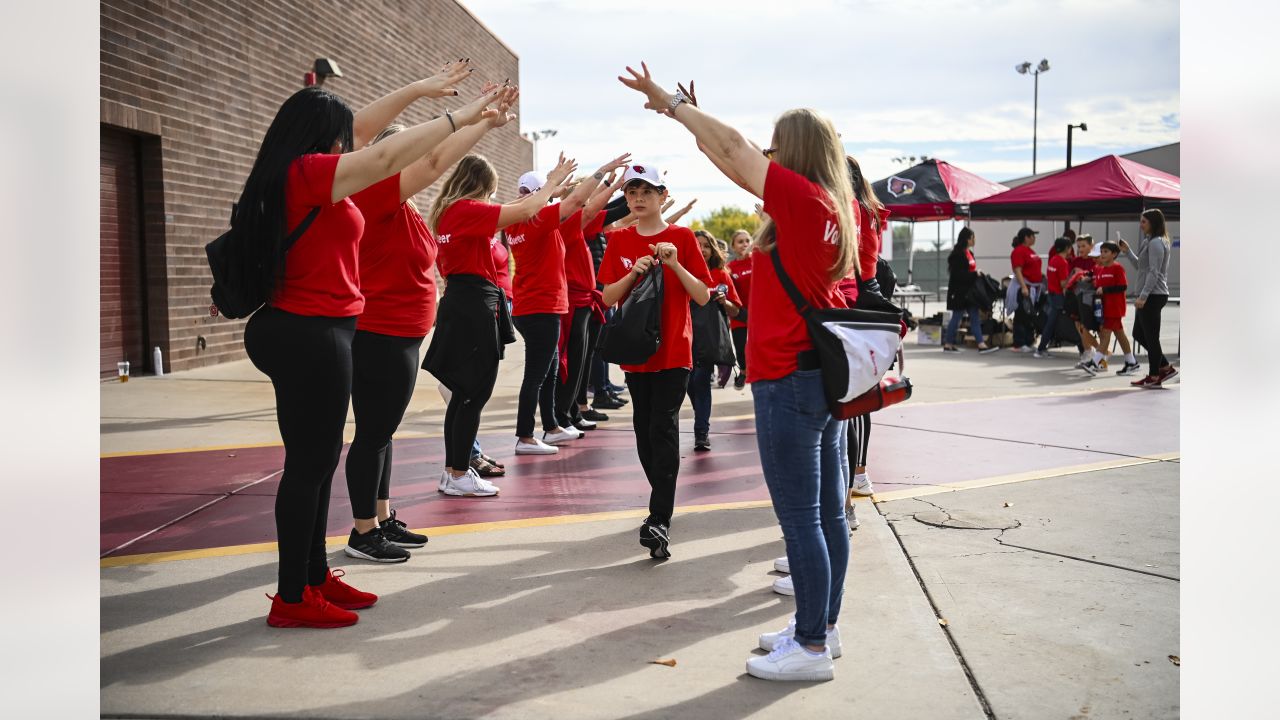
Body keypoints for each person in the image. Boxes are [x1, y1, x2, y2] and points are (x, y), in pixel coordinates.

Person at [240, 67, 503, 628]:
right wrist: (460, 115)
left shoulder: (312, 173)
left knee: (316, 460)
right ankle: (293, 596)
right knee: (310, 465)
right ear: (319, 137)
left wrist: (416, 91)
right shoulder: (310, 173)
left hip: (319, 329)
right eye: (341, 135)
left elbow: (370, 139)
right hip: (310, 331)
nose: (351, 141)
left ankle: (312, 577)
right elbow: (398, 158)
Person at [620, 63, 855, 681]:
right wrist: (694, 123)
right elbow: (728, 156)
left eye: (777, 147)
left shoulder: (802, 202)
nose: (767, 156)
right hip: (815, 376)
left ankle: (808, 647)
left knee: (803, 518)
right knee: (828, 512)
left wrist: (671, 105)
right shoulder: (830, 207)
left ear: (795, 152)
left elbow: (733, 149)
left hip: (788, 377)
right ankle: (820, 629)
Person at [344, 83, 520, 563]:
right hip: (380, 332)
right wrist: (480, 121)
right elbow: (436, 162)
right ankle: (363, 532)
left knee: (382, 432)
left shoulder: (401, 207)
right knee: (373, 434)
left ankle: (381, 517)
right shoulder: (375, 194)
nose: (418, 161)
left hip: (400, 334)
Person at [424, 152, 575, 494]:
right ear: (482, 186)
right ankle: (460, 473)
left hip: (461, 301)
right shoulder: (467, 210)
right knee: (474, 394)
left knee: (463, 394)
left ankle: (455, 471)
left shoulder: (448, 212)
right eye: (491, 193)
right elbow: (524, 211)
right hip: (474, 304)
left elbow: (516, 211)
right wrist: (551, 182)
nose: (492, 200)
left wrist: (553, 188)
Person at [597, 162, 713, 560]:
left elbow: (702, 295)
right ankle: (660, 501)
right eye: (632, 192)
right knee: (643, 431)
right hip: (636, 353)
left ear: (664, 196)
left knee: (663, 427)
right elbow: (608, 297)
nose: (639, 199)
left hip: (675, 351)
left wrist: (676, 262)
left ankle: (659, 516)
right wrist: (636, 272)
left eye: (648, 191)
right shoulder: (618, 240)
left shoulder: (681, 236)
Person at [507, 153, 632, 455]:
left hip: (538, 305)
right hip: (542, 307)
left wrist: (556, 187)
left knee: (550, 371)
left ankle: (551, 427)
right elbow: (580, 204)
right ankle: (526, 436)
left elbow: (576, 204)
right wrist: (602, 172)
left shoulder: (515, 223)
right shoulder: (537, 223)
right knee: (538, 375)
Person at [555, 172, 628, 433]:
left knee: (582, 360)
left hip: (587, 299)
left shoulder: (579, 221)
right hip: (575, 300)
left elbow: (614, 209)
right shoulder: (571, 222)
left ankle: (574, 411)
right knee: (574, 362)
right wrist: (617, 186)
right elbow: (612, 212)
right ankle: (564, 415)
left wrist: (630, 190)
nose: (589, 205)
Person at [688, 230, 742, 451]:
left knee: (700, 382)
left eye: (706, 245)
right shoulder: (682, 272)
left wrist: (724, 301)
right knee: (690, 385)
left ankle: (702, 432)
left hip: (708, 338)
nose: (702, 249)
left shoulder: (720, 274)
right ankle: (700, 417)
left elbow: (736, 310)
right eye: (697, 245)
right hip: (684, 336)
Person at [1119, 210, 1178, 387]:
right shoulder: (1149, 242)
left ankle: (1154, 376)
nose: (1140, 225)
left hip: (1154, 295)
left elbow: (1154, 272)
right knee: (1139, 333)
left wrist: (1143, 296)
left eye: (1144, 222)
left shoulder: (1157, 243)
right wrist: (1128, 251)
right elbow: (1140, 266)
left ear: (1153, 223)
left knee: (1151, 337)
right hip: (1149, 294)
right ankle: (1165, 367)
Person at [943, 227, 998, 353]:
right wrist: (974, 274)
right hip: (961, 293)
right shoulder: (957, 255)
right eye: (973, 238)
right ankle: (948, 344)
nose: (975, 240)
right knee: (956, 317)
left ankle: (981, 344)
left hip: (971, 293)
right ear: (967, 239)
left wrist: (976, 274)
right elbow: (958, 275)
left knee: (975, 318)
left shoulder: (970, 253)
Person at [1093, 241, 1141, 376]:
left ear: (1114, 254)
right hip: (1105, 308)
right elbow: (1099, 286)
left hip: (1115, 308)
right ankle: (1131, 362)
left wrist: (1105, 289)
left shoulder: (1118, 268)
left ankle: (1094, 362)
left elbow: (1123, 286)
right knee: (1119, 334)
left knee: (1106, 334)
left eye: (1106, 252)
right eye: (1101, 251)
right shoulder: (1101, 269)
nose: (1102, 254)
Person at [1065, 234, 1104, 372]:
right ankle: (1088, 353)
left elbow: (1096, 278)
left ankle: (1101, 354)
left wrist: (1084, 275)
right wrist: (1076, 275)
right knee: (1079, 325)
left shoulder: (1097, 261)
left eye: (1083, 246)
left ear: (1091, 246)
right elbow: (1069, 279)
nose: (1080, 249)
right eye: (1079, 246)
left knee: (1094, 327)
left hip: (1092, 299)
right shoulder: (1075, 261)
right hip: (1078, 298)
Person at [1033, 236, 1073, 358]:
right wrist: (1074, 277)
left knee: (1051, 322)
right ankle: (1041, 348)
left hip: (1051, 294)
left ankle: (1042, 347)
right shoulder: (1062, 262)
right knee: (1054, 322)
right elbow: (1063, 283)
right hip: (1058, 296)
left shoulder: (1053, 260)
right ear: (1067, 248)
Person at [726, 229, 754, 389]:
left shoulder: (758, 260)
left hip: (760, 314)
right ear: (733, 247)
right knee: (741, 351)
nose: (744, 244)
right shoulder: (729, 268)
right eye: (740, 242)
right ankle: (743, 371)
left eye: (747, 241)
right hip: (740, 315)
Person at [1008, 227, 1043, 352]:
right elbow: (1017, 269)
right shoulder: (1019, 251)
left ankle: (1028, 341)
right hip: (1024, 287)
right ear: (1026, 237)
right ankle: (1019, 343)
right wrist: (1023, 286)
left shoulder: (1030, 251)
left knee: (1030, 316)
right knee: (1022, 315)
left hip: (1032, 287)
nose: (1034, 238)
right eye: (1032, 236)